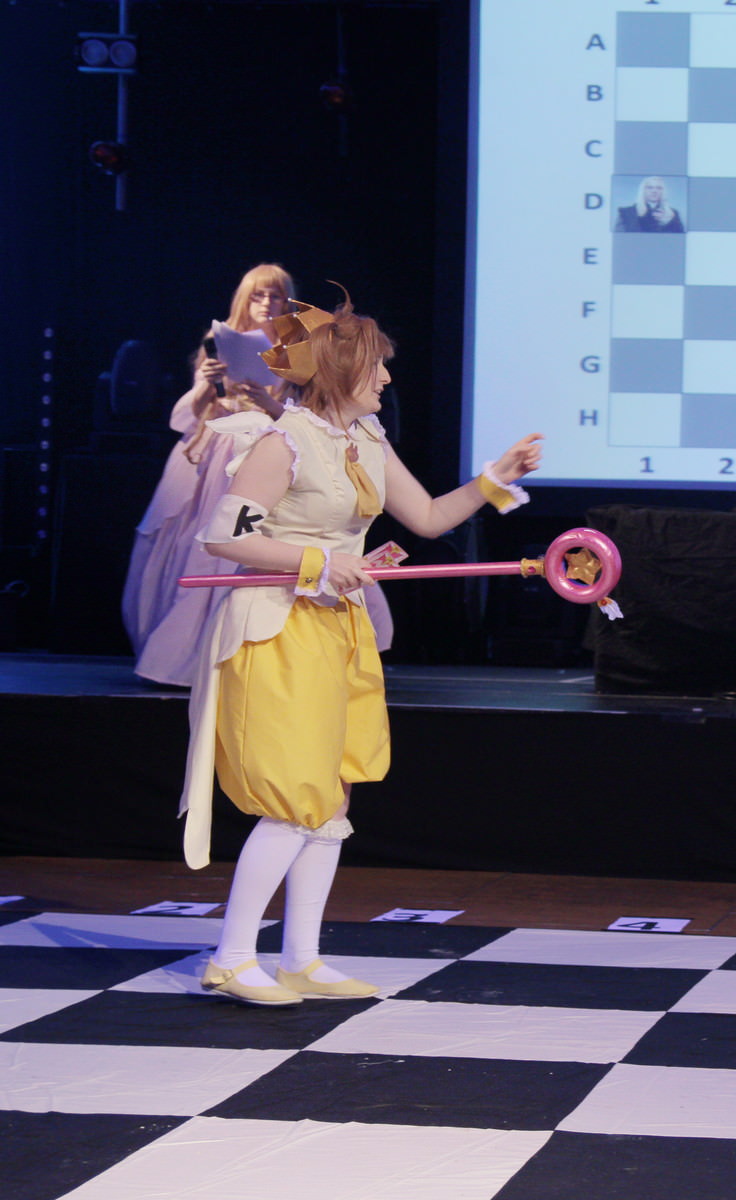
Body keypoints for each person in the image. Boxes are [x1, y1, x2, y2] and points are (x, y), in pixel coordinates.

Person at [179, 293, 543, 1006]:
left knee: (332, 791)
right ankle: (231, 957)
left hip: (336, 626)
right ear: (340, 371)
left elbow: (429, 517)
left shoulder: (366, 440)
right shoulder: (282, 443)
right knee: (295, 796)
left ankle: (302, 958)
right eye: (377, 367)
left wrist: (496, 480)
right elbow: (225, 538)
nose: (386, 379)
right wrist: (317, 561)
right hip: (275, 626)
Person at [122, 264, 393, 685]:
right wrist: (206, 385)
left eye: (276, 296)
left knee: (265, 543)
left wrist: (268, 406)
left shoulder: (301, 347)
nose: (266, 303)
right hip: (216, 456)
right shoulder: (218, 342)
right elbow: (183, 419)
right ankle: (181, 661)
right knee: (204, 549)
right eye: (258, 295)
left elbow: (311, 422)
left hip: (274, 453)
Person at [614, 176, 684, 233]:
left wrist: (668, 223)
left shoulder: (673, 214)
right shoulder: (626, 213)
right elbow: (618, 238)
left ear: (663, 191)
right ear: (643, 190)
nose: (654, 191)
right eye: (650, 187)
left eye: (659, 188)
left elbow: (681, 238)